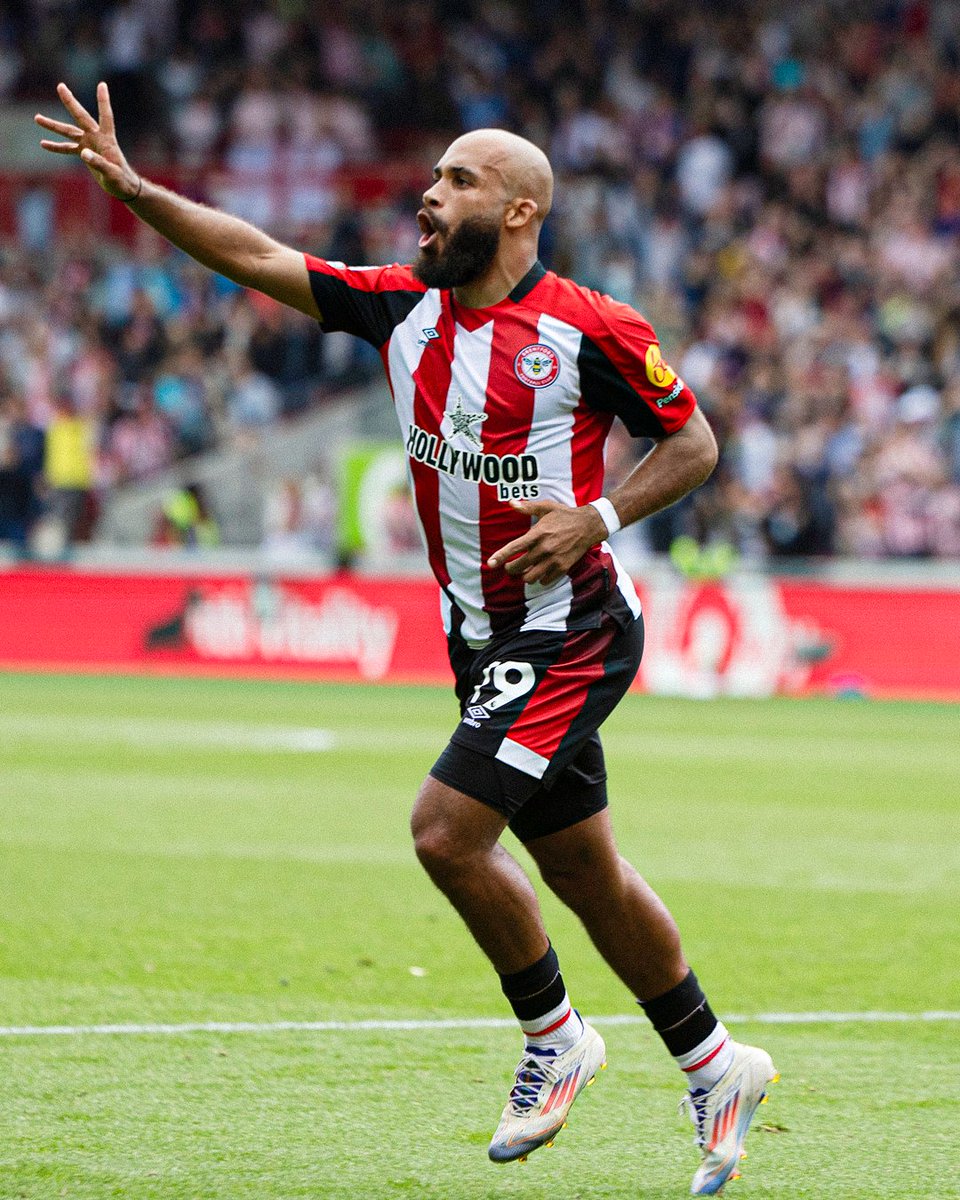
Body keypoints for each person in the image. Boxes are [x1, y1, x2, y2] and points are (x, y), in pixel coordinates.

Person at [37, 82, 777, 1195]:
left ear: (521, 209)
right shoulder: (400, 309)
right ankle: (718, 1064)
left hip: (570, 625)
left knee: (444, 833)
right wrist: (139, 191)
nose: (428, 199)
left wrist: (599, 515)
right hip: (480, 636)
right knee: (584, 870)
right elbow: (255, 255)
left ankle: (554, 1036)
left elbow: (695, 443)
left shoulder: (591, 327)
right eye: (431, 180)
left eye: (457, 182)